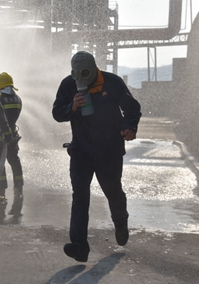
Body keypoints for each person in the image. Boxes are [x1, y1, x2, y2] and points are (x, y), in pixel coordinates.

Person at [52, 51, 141, 263]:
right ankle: (79, 246)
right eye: (76, 73)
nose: (81, 77)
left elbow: (132, 108)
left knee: (113, 191)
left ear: (94, 69)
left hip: (109, 151)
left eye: (85, 72)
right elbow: (56, 113)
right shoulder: (68, 85)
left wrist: (129, 127)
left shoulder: (112, 82)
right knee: (80, 197)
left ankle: (120, 221)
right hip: (81, 151)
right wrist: (71, 107)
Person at [0, 72, 24, 197]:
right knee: (14, 160)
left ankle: (1, 189)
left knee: (0, 162)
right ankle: (19, 186)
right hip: (13, 134)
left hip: (0, 135)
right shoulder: (18, 98)